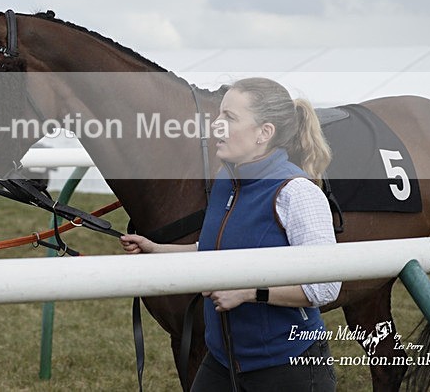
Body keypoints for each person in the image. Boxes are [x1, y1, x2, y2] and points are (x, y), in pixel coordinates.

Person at [121, 77, 340, 391]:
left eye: (230, 118)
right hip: (222, 361)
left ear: (264, 133)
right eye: (219, 115)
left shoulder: (297, 193)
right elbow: (219, 250)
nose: (216, 126)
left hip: (289, 367)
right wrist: (158, 249)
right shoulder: (226, 179)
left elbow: (326, 287)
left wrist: (249, 292)